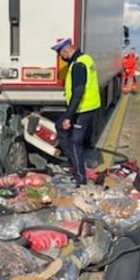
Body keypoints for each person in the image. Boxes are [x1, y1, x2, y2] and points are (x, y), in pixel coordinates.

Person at [51, 38, 101, 186]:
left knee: (74, 143)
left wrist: (69, 116)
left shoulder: (78, 64)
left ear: (66, 50)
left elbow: (78, 91)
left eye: (60, 54)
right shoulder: (86, 58)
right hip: (89, 106)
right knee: (60, 127)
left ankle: (80, 178)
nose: (61, 57)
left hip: (82, 109)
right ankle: (75, 163)